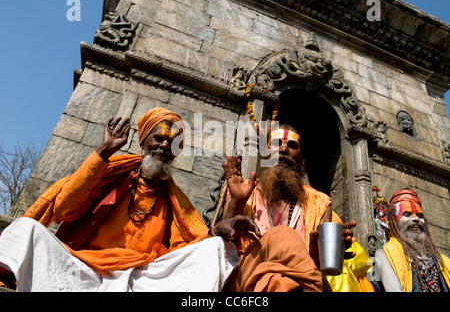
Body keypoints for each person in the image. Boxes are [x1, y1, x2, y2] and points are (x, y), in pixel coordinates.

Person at [0, 107, 258, 291]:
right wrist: (102, 152)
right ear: (144, 142)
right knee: (25, 229)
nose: (165, 147)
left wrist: (216, 229)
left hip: (140, 280)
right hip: (83, 269)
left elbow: (186, 251)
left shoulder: (174, 201)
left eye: (174, 143)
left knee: (213, 248)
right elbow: (65, 209)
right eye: (159, 138)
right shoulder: (110, 173)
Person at [222, 124, 374, 292]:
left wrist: (321, 256)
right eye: (276, 143)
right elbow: (223, 242)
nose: (284, 149)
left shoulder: (320, 202)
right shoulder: (245, 191)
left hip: (298, 279)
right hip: (247, 276)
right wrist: (237, 200)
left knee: (280, 282)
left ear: (302, 160)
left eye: (292, 145)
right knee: (281, 243)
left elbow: (319, 262)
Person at [375, 189, 450, 292]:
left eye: (420, 216)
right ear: (393, 221)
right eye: (407, 214)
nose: (416, 219)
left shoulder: (443, 261)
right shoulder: (382, 255)